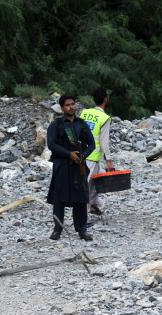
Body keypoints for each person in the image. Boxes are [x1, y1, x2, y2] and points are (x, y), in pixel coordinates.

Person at [46, 94, 95, 242]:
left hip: (79, 166)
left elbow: (92, 144)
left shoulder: (82, 124)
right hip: (62, 165)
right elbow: (51, 144)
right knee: (59, 198)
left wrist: (82, 156)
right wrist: (68, 154)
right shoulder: (56, 125)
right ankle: (57, 229)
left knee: (81, 198)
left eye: (73, 104)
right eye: (67, 105)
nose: (71, 107)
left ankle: (82, 230)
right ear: (62, 108)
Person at [80, 88, 115, 216]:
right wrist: (109, 161)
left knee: (96, 181)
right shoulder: (105, 118)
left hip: (81, 154)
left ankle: (93, 205)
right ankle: (81, 217)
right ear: (105, 99)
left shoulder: (85, 112)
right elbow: (104, 141)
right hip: (92, 157)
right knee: (86, 185)